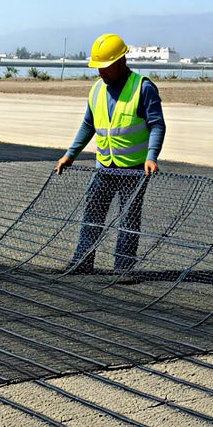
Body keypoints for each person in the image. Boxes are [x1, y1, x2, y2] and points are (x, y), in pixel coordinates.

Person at [55, 33, 165, 277]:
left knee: (128, 219)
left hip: (134, 168)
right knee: (92, 214)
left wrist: (151, 156)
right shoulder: (96, 89)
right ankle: (82, 261)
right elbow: (88, 125)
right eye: (98, 68)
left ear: (121, 62)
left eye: (104, 67)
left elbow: (157, 125)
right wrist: (70, 154)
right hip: (104, 166)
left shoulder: (143, 87)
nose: (100, 73)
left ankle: (123, 268)